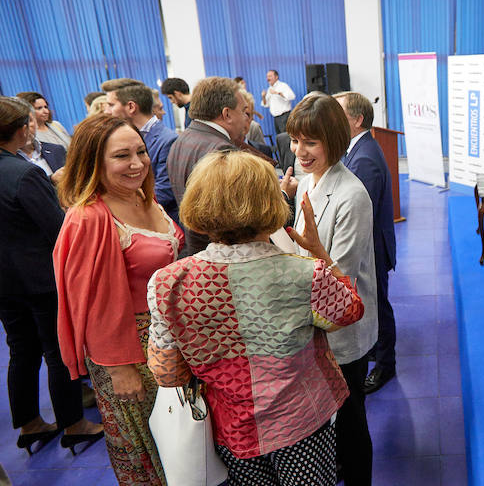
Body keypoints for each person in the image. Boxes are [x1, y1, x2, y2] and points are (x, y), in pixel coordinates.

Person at [147, 150, 364, 485]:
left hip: (232, 426)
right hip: (301, 421)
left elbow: (167, 372)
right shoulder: (304, 274)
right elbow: (349, 311)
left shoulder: (168, 282)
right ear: (270, 203)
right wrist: (320, 253)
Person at [54, 113, 184, 484]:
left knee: (182, 442)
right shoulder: (88, 217)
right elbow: (88, 302)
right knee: (149, 449)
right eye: (121, 156)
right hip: (131, 352)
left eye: (141, 152)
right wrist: (118, 367)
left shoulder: (146, 196)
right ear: (94, 161)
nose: (137, 163)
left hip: (167, 341)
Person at [283, 92, 378, 486]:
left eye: (310, 142)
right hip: (314, 323)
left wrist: (314, 252)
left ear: (334, 141)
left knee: (352, 418)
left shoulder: (352, 195)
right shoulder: (308, 179)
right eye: (294, 140)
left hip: (343, 329)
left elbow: (342, 276)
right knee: (330, 416)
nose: (299, 151)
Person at [0, 97, 103, 457]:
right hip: (41, 280)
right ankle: (74, 423)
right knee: (58, 352)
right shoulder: (25, 174)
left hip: (5, 283)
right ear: (21, 129)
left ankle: (29, 424)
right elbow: (59, 229)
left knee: (21, 350)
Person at [334, 92, 398, 394]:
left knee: (379, 305)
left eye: (339, 114)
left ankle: (386, 365)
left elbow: (362, 213)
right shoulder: (359, 149)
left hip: (373, 247)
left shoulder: (364, 158)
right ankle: (377, 350)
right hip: (371, 245)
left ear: (357, 120)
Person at [167, 76, 247, 256]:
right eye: (243, 111)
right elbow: (233, 216)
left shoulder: (181, 141)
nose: (245, 119)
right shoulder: (222, 150)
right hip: (222, 257)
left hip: (196, 251)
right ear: (227, 114)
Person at [102, 79, 179, 224]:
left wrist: (121, 207)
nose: (107, 111)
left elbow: (164, 192)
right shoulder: (122, 137)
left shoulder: (167, 141)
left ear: (131, 107)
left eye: (111, 105)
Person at [18, 109, 66, 185]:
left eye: (29, 121)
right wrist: (51, 180)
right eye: (18, 124)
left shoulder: (56, 150)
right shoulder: (6, 162)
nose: (25, 127)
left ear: (36, 123)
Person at [261, 69, 295, 134]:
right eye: (267, 76)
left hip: (284, 117)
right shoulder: (269, 89)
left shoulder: (283, 85)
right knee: (280, 138)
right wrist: (263, 96)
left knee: (286, 138)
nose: (268, 78)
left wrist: (278, 93)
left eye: (270, 76)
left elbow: (292, 96)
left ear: (276, 77)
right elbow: (266, 104)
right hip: (276, 118)